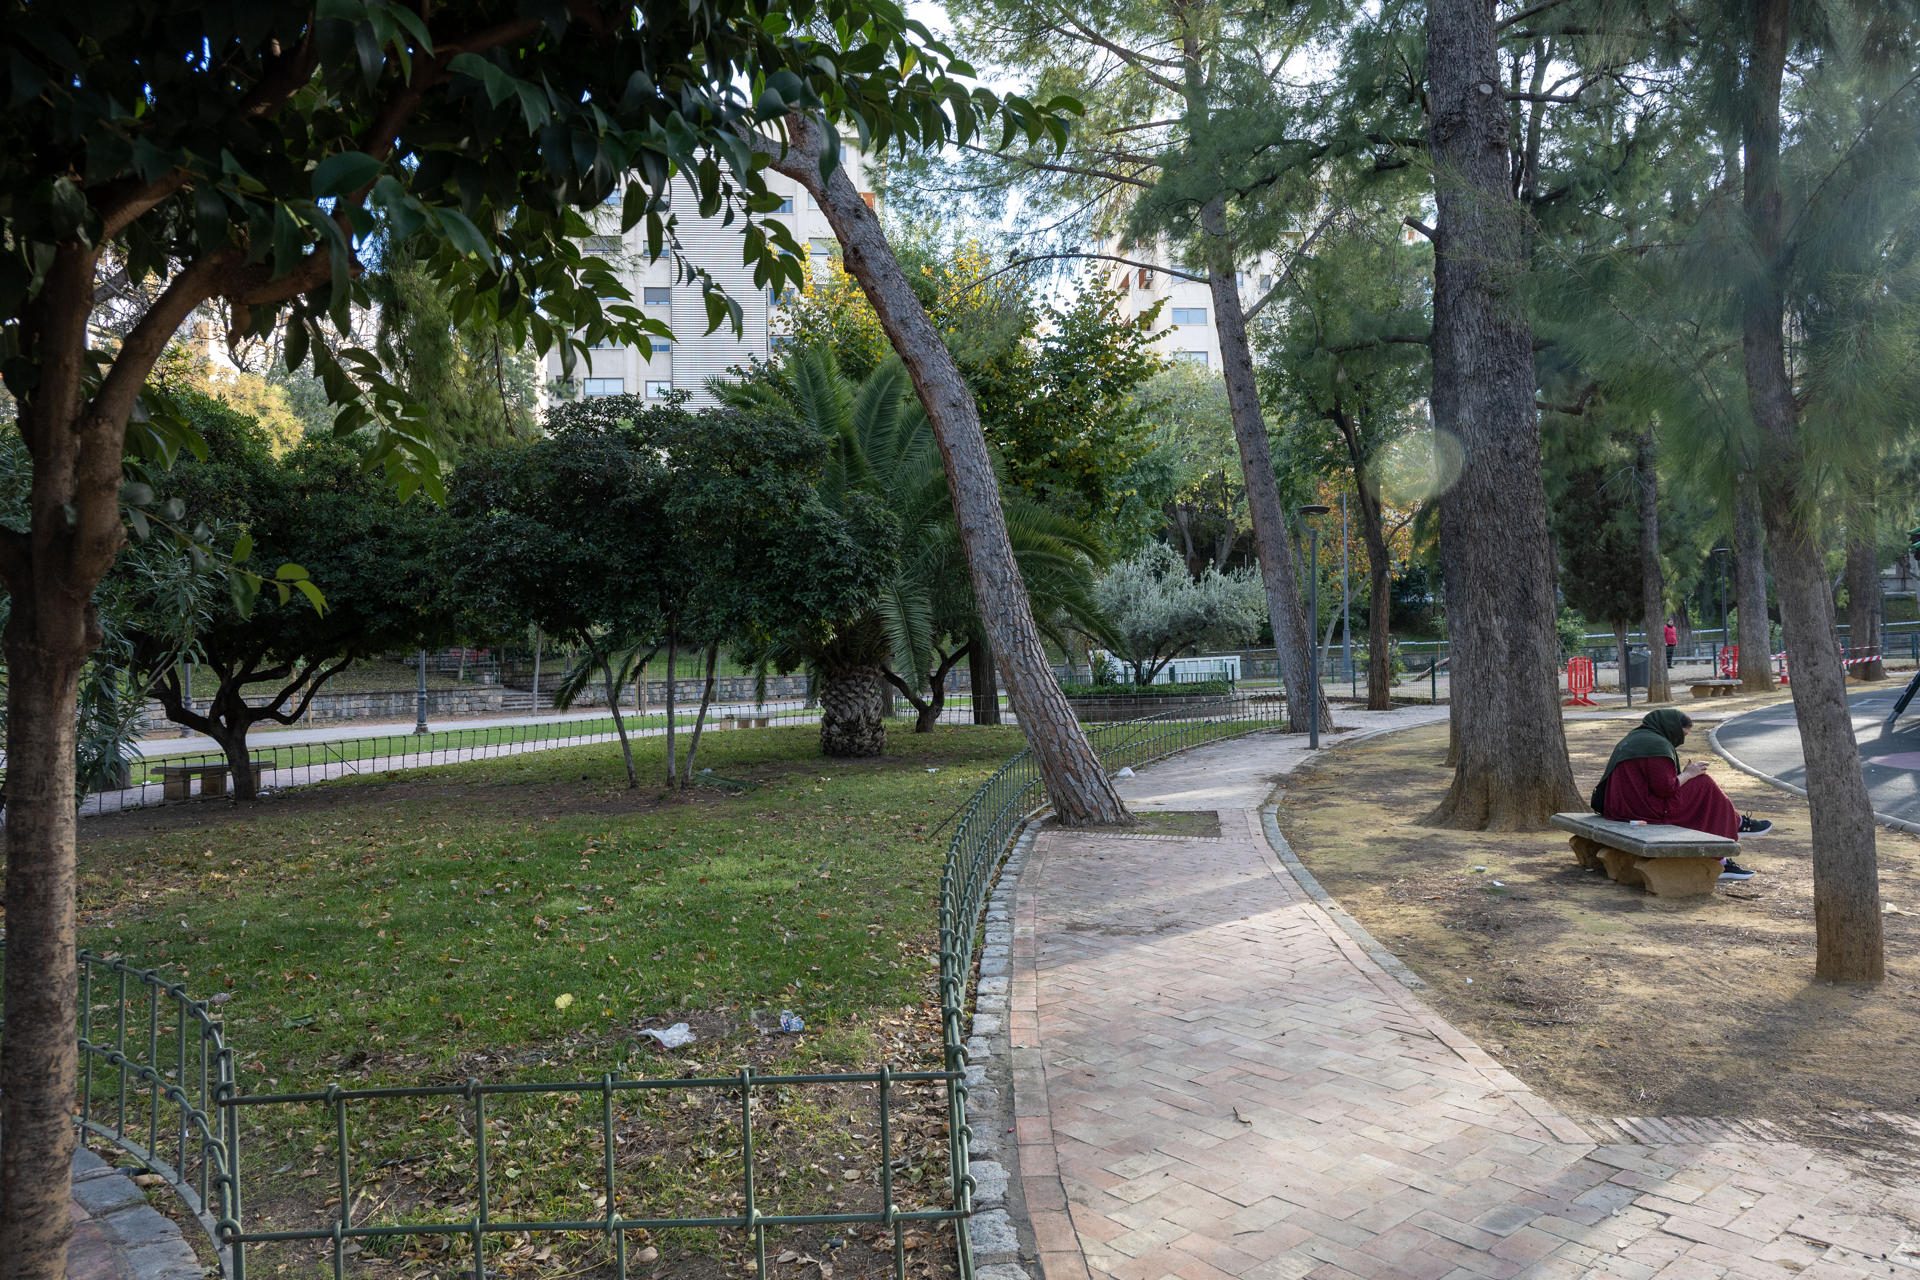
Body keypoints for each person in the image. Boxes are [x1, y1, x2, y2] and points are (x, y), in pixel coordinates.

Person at [1592, 708, 1769, 881]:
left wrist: (1685, 774)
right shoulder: (1657, 746)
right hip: (1644, 811)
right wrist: (1689, 774)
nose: (1682, 740)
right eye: (1682, 734)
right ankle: (1730, 836)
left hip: (1621, 807)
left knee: (1697, 785)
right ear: (1671, 728)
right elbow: (1665, 789)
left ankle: (1729, 837)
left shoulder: (1634, 738)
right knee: (1703, 783)